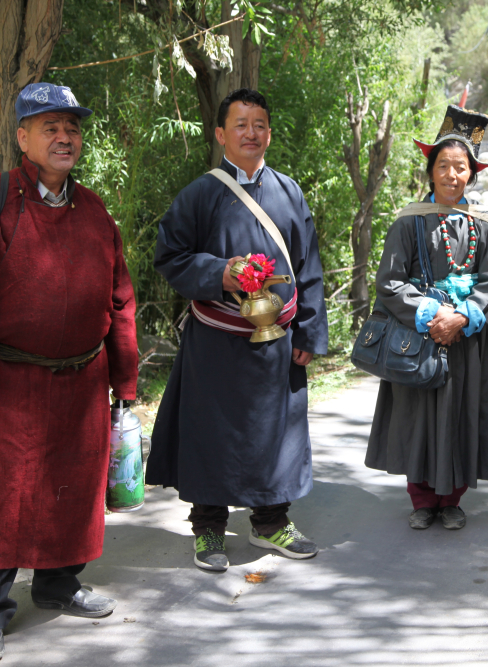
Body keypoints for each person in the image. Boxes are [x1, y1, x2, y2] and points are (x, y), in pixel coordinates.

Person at [0, 83, 138, 662]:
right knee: (8, 495)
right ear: (22, 137)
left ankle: (58, 584)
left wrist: (123, 382)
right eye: (50, 126)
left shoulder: (96, 209)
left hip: (84, 378)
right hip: (14, 381)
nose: (64, 137)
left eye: (72, 128)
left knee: (73, 489)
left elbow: (120, 300)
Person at [147, 88, 328, 572]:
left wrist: (309, 332)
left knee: (279, 434)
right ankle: (208, 528)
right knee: (212, 434)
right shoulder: (200, 194)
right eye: (241, 124)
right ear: (221, 133)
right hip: (216, 342)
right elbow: (169, 256)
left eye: (260, 124)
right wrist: (220, 273)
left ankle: (271, 522)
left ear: (269, 132)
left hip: (278, 343)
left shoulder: (290, 192)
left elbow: (308, 267)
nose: (251, 132)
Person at [364, 105, 488, 530]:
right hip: (420, 338)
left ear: (472, 174)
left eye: (461, 167)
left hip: (469, 339)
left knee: (463, 413)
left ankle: (452, 499)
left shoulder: (485, 225)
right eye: (444, 166)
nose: (453, 175)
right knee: (419, 415)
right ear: (431, 170)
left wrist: (462, 318)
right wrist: (432, 315)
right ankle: (422, 499)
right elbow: (389, 282)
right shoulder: (408, 223)